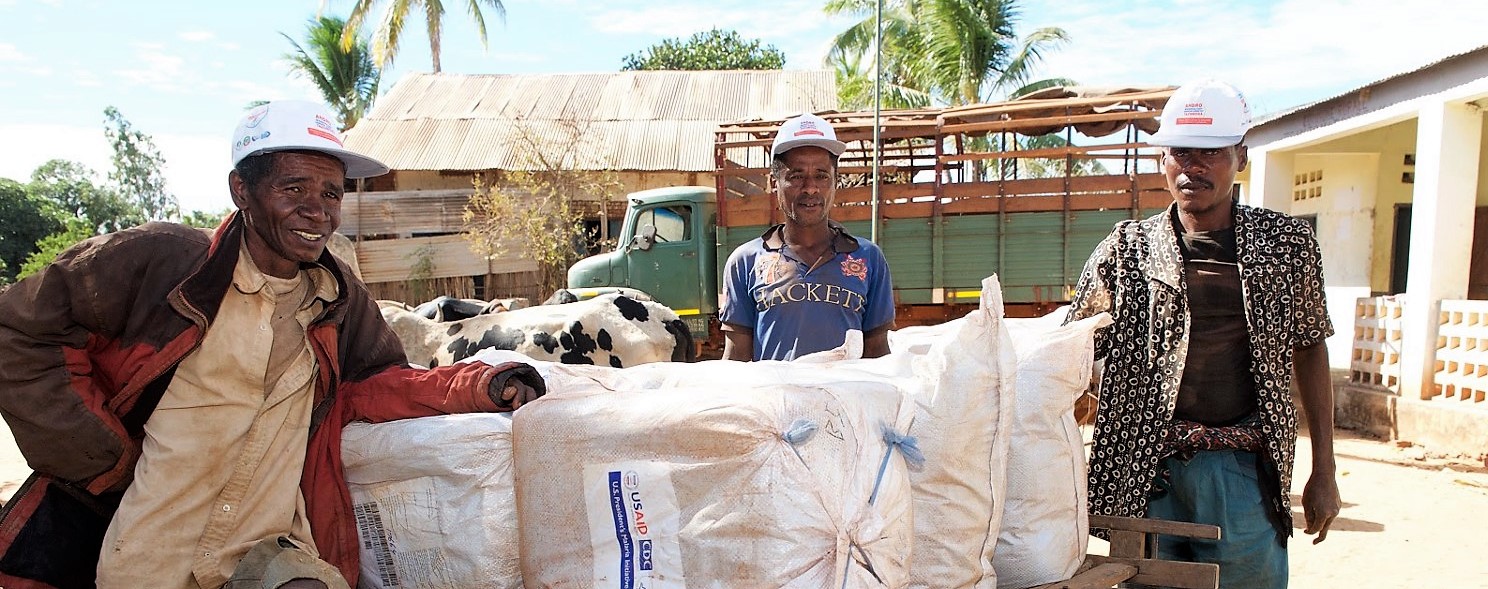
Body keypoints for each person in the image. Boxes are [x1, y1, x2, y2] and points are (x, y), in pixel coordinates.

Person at [0, 100, 545, 589]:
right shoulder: (160, 263)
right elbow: (19, 330)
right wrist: (103, 457)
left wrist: (482, 382)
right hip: (150, 552)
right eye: (294, 189)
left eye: (331, 193)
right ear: (242, 191)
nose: (318, 210)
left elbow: (376, 386)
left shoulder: (339, 301)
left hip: (267, 552)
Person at [1066, 80, 1340, 588]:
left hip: (1243, 471)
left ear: (1240, 155)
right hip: (1145, 471)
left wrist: (1324, 468)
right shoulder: (1126, 249)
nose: (1194, 166)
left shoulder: (1286, 245)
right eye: (1182, 153)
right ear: (1162, 161)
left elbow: (1310, 347)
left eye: (1211, 152)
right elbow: (1071, 349)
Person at [719, 113, 895, 361]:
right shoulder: (747, 262)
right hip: (775, 400)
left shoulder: (867, 259)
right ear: (774, 182)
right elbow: (736, 359)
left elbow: (878, 355)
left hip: (843, 400)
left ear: (835, 182)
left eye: (821, 175)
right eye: (796, 176)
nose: (810, 187)